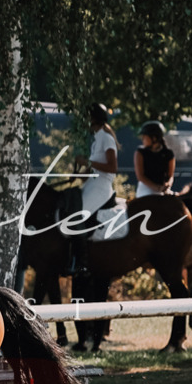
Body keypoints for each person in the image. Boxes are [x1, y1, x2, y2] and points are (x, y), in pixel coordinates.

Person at [68, 102, 119, 275]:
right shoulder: (97, 139)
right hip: (92, 183)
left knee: (76, 217)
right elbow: (92, 169)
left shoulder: (107, 138)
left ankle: (82, 264)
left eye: (87, 118)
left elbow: (112, 167)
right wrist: (78, 176)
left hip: (102, 186)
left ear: (94, 119)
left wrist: (86, 162)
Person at [134, 121, 176, 198]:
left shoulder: (168, 154)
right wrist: (157, 188)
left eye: (145, 136)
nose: (142, 139)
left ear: (154, 138)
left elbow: (171, 176)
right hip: (145, 189)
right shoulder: (140, 153)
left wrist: (168, 185)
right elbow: (140, 176)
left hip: (163, 189)